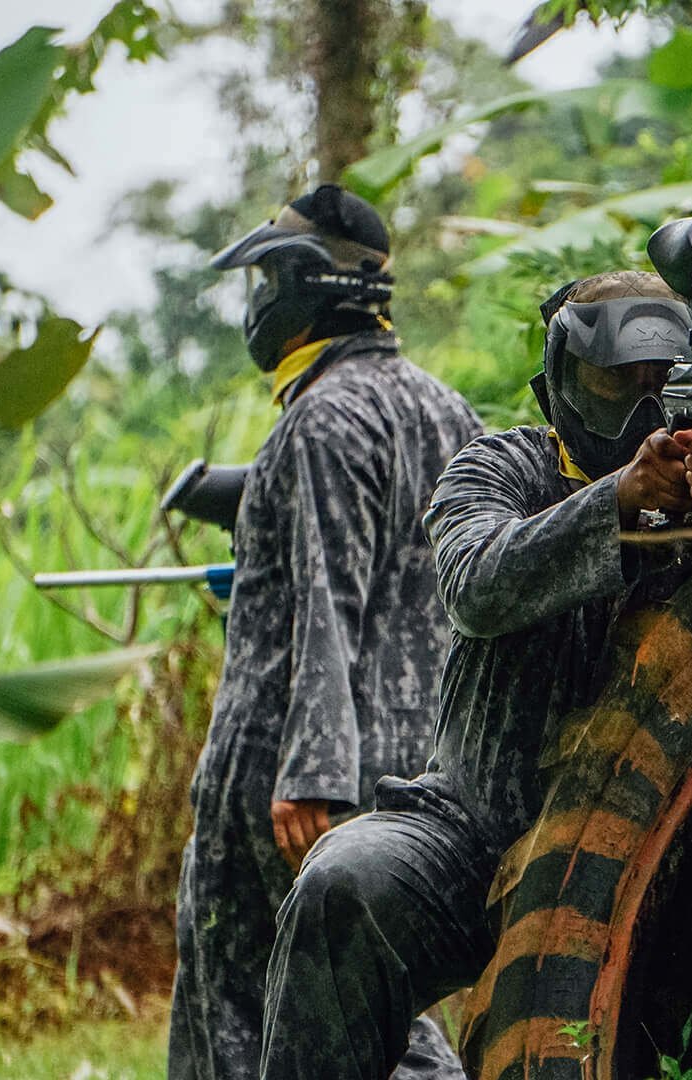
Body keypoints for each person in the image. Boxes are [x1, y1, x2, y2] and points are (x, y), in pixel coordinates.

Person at [258, 270, 692, 1080]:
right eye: (617, 383)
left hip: (653, 847)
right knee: (342, 884)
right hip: (470, 831)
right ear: (564, 381)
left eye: (661, 385)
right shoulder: (499, 466)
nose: (642, 412)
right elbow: (475, 585)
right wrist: (617, 501)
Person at [168, 184, 482, 1080]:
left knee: (252, 998)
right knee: (372, 999)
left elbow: (327, 598)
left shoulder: (324, 416)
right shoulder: (446, 408)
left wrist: (312, 774)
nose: (260, 301)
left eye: (269, 279)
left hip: (294, 773)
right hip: (416, 767)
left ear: (307, 285)